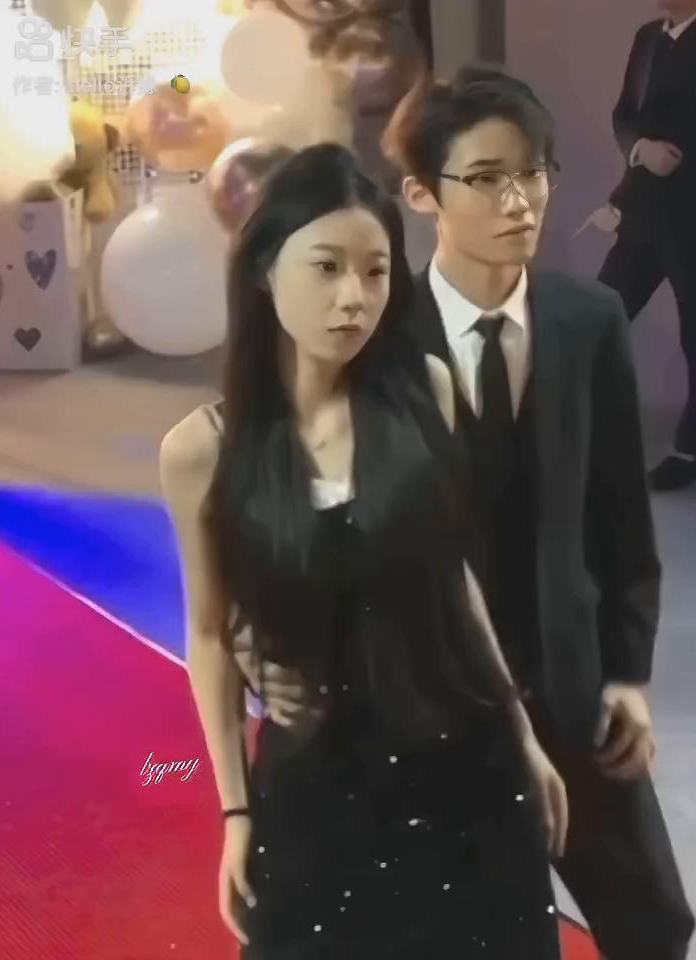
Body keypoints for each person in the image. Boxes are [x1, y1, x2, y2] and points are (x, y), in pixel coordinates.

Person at [160, 143, 567, 960]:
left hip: (465, 771)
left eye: (376, 272)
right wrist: (235, 810)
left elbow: (451, 580)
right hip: (316, 787)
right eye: (327, 267)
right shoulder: (203, 451)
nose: (354, 297)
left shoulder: (426, 393)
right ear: (264, 270)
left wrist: (520, 728)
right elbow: (208, 633)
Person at [375, 68, 694, 960]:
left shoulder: (587, 319)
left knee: (654, 920)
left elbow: (622, 521)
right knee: (487, 931)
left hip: (573, 683)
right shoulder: (379, 336)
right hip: (436, 698)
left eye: (536, 172)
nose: (521, 201)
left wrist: (626, 674)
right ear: (421, 192)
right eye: (487, 178)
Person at [598, 0, 696, 490]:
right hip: (645, 212)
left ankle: (691, 452)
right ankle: (562, 433)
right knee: (600, 311)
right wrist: (639, 149)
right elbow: (626, 113)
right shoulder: (648, 37)